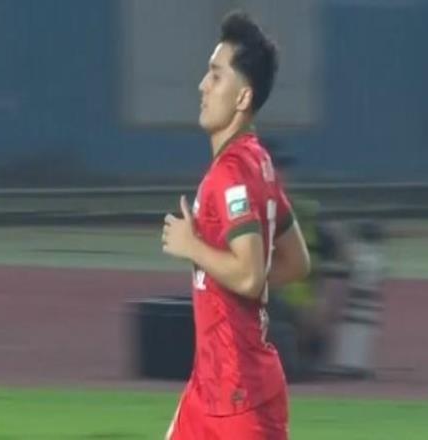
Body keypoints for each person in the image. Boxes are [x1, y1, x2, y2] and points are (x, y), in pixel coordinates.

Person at [161, 10, 310, 440]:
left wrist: (192, 246)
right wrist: (238, 275)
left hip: (240, 401)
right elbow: (296, 262)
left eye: (215, 76)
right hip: (209, 388)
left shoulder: (229, 176)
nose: (202, 86)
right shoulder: (258, 161)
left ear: (243, 98)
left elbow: (248, 276)